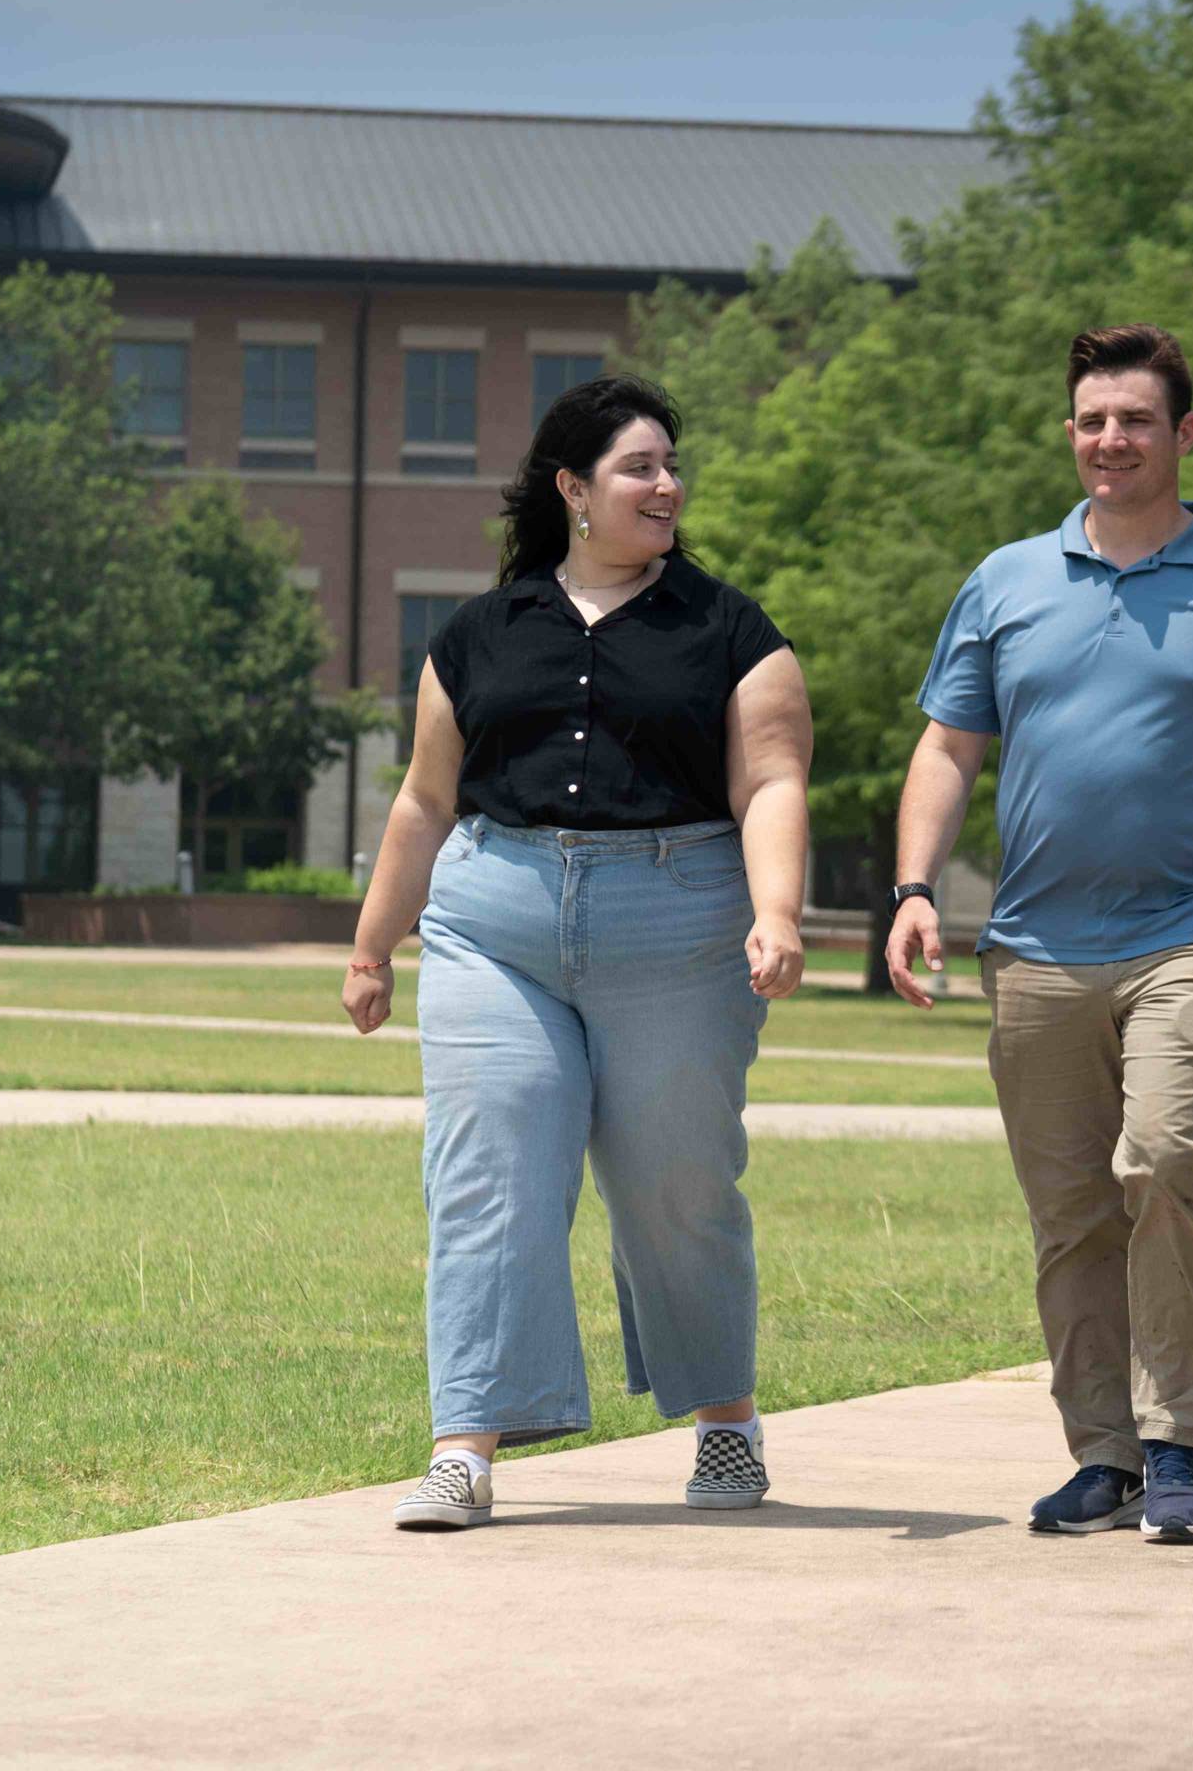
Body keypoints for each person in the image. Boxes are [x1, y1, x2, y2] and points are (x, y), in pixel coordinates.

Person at [889, 323, 1193, 1544]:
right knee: (1071, 1213)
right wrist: (912, 886)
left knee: (1167, 1157)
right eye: (1092, 419)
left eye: (1135, 419)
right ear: (1069, 432)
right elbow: (947, 744)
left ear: (1183, 434)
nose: (1110, 439)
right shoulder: (1004, 580)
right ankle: (1104, 1454)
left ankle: (1178, 1440)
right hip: (1036, 948)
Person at [344, 374, 813, 1531]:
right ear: (572, 489)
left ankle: (724, 1426)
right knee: (489, 1171)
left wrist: (778, 910)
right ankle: (464, 1444)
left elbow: (770, 781)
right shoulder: (480, 632)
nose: (666, 486)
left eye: (669, 466)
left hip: (679, 921)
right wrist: (371, 947)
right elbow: (421, 801)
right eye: (638, 467)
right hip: (491, 924)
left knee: (676, 1180)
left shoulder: (731, 629)